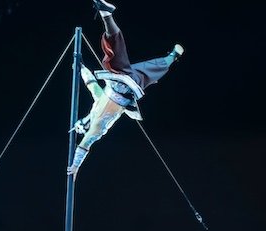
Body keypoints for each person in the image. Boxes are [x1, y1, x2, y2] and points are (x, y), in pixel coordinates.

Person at [67, 0, 184, 178]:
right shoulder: (97, 128)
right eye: (83, 123)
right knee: (116, 54)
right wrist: (75, 166)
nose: (84, 121)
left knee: (153, 67)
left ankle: (173, 56)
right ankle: (107, 14)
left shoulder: (98, 104)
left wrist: (80, 66)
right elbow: (84, 144)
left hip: (124, 81)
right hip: (124, 83)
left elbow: (92, 85)